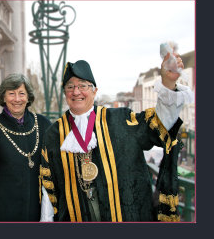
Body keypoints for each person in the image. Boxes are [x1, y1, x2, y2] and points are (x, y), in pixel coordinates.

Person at [39, 56, 193, 222]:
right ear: (65, 93)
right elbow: (49, 191)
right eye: (70, 87)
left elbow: (162, 124)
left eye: (83, 86)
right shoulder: (53, 134)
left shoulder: (122, 119)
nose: (76, 92)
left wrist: (168, 85)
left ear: (94, 91)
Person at [0, 74, 51, 221]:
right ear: (3, 97)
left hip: (37, 211)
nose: (17, 99)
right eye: (11, 93)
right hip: (2, 212)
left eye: (21, 93)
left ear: (28, 97)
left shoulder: (44, 124)